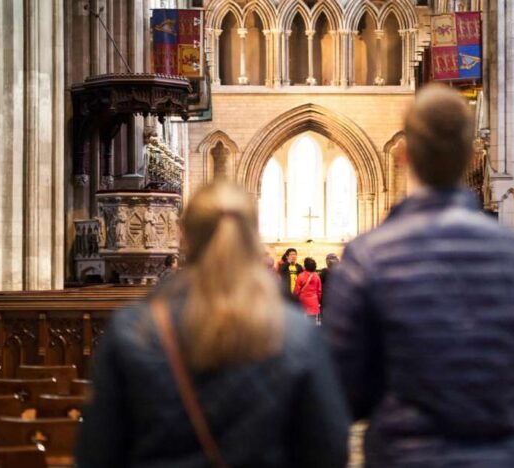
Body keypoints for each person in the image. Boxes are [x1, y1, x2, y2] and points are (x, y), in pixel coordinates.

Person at [324, 84, 514, 467]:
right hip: (500, 456)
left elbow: (344, 387)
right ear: (470, 155)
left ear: (405, 156)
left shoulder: (367, 259)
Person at [77, 183, 350, 468]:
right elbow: (329, 448)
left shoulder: (133, 330)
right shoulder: (298, 334)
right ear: (253, 236)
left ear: (183, 235)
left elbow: (96, 453)